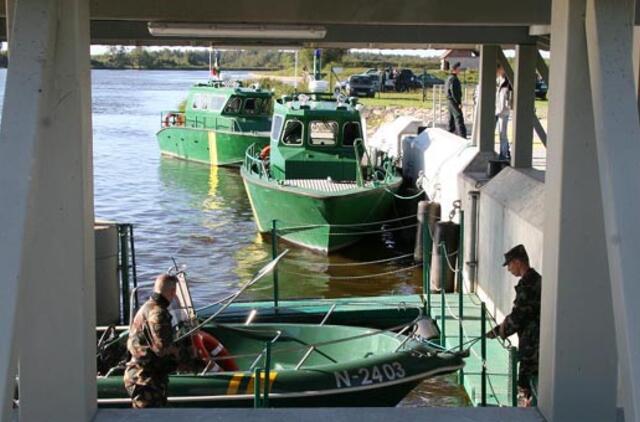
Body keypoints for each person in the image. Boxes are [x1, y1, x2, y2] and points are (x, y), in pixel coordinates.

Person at [487, 244, 541, 406]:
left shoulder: (528, 286)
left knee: (527, 383)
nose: (509, 269)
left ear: (518, 262)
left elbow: (518, 317)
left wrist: (498, 331)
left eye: (509, 265)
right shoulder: (537, 280)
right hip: (537, 340)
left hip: (532, 343)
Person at [124, 274, 183, 408]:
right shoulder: (158, 313)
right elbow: (163, 349)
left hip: (144, 375)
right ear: (173, 292)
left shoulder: (148, 306)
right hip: (144, 378)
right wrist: (186, 358)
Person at [445, 62, 467, 138]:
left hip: (449, 101)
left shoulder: (448, 78)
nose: (460, 70)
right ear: (455, 69)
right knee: (459, 119)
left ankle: (449, 136)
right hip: (454, 101)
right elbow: (454, 92)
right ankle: (462, 137)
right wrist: (458, 102)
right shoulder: (454, 79)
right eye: (458, 68)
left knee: (451, 121)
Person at [496, 65, 512, 160]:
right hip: (498, 110)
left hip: (503, 112)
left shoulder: (507, 83)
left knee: (502, 133)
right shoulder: (499, 81)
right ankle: (506, 151)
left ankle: (504, 154)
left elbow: (507, 100)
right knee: (501, 133)